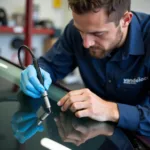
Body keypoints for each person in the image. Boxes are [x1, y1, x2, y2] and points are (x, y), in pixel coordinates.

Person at [20, 0, 150, 136]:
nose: (86, 43)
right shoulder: (77, 30)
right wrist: (38, 72)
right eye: (81, 31)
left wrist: (110, 110)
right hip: (93, 134)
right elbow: (51, 65)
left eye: (98, 34)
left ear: (125, 20)